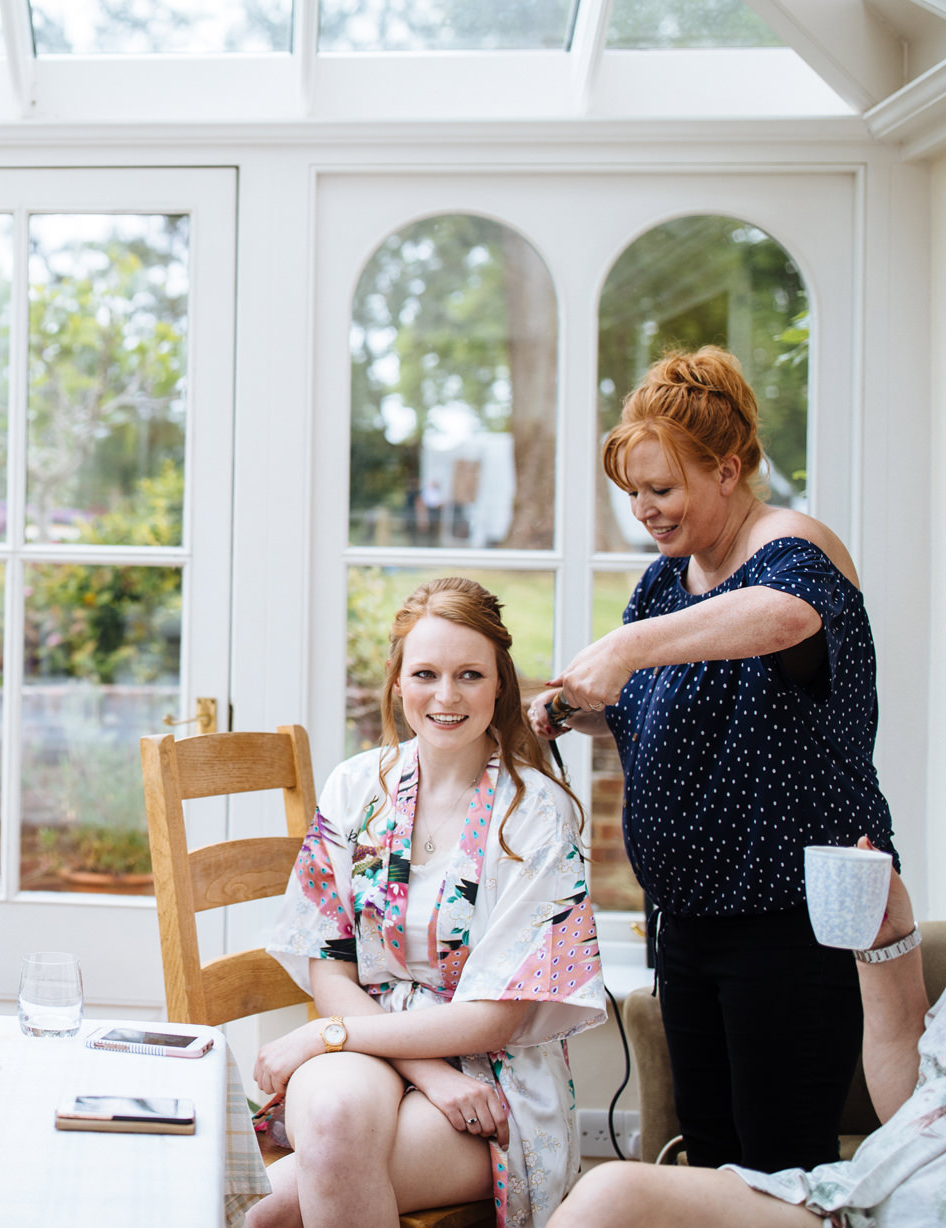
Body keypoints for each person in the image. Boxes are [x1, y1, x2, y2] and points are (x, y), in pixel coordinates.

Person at [529, 347, 898, 1174]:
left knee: (779, 1169)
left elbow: (783, 618)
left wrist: (625, 646)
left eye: (661, 489)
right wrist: (572, 711)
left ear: (727, 470)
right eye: (633, 493)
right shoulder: (669, 580)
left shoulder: (793, 547)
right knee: (711, 1160)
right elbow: (657, 710)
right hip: (690, 920)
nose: (644, 512)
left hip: (789, 924)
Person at [249, 577, 605, 1228]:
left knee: (263, 1213)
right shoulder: (355, 787)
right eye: (425, 674)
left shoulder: (537, 816)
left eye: (470, 675)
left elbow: (494, 1020)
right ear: (397, 682)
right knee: (329, 1119)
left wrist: (324, 1034)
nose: (446, 696)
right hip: (371, 1044)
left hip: (493, 1080)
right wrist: (428, 1074)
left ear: (500, 685)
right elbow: (331, 968)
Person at [549, 842, 936, 1228]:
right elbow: (914, 1107)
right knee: (610, 1196)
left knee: (780, 1146)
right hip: (864, 1201)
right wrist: (889, 940)